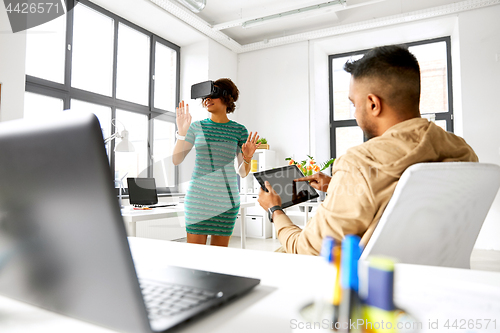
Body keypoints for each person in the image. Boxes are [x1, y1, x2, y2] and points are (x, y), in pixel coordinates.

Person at [258, 45, 478, 255]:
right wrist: (336, 184)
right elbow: (397, 193)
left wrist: (274, 209)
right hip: (429, 272)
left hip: (354, 282)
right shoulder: (462, 151)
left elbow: (306, 249)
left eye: (354, 103)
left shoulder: (360, 163)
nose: (354, 113)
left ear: (373, 104)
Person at [172, 78, 261, 247]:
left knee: (219, 258)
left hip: (226, 202)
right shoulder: (196, 127)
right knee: (195, 256)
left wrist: (248, 157)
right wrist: (182, 133)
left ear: (227, 98)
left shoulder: (239, 130)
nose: (207, 99)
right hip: (198, 199)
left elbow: (242, 173)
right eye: (205, 96)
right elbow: (177, 160)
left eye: (213, 94)